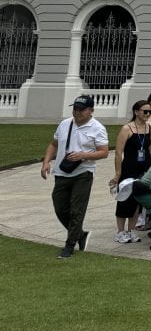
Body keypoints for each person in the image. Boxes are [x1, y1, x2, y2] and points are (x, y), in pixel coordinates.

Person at [41, 95, 109, 258]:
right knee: (60, 207)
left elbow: (104, 152)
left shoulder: (97, 128)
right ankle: (80, 234)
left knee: (76, 210)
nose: (77, 112)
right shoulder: (65, 124)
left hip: (83, 173)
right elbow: (54, 144)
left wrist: (83, 155)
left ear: (91, 110)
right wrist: (46, 162)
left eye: (81, 109)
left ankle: (69, 246)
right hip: (62, 172)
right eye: (75, 109)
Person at [109, 98, 151, 244]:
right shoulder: (127, 128)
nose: (148, 114)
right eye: (145, 111)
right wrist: (118, 173)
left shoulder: (149, 128)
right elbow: (118, 152)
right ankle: (120, 231)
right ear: (136, 112)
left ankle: (131, 230)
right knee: (124, 200)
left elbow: (149, 149)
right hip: (129, 168)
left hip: (143, 169)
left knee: (137, 201)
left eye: (149, 111)